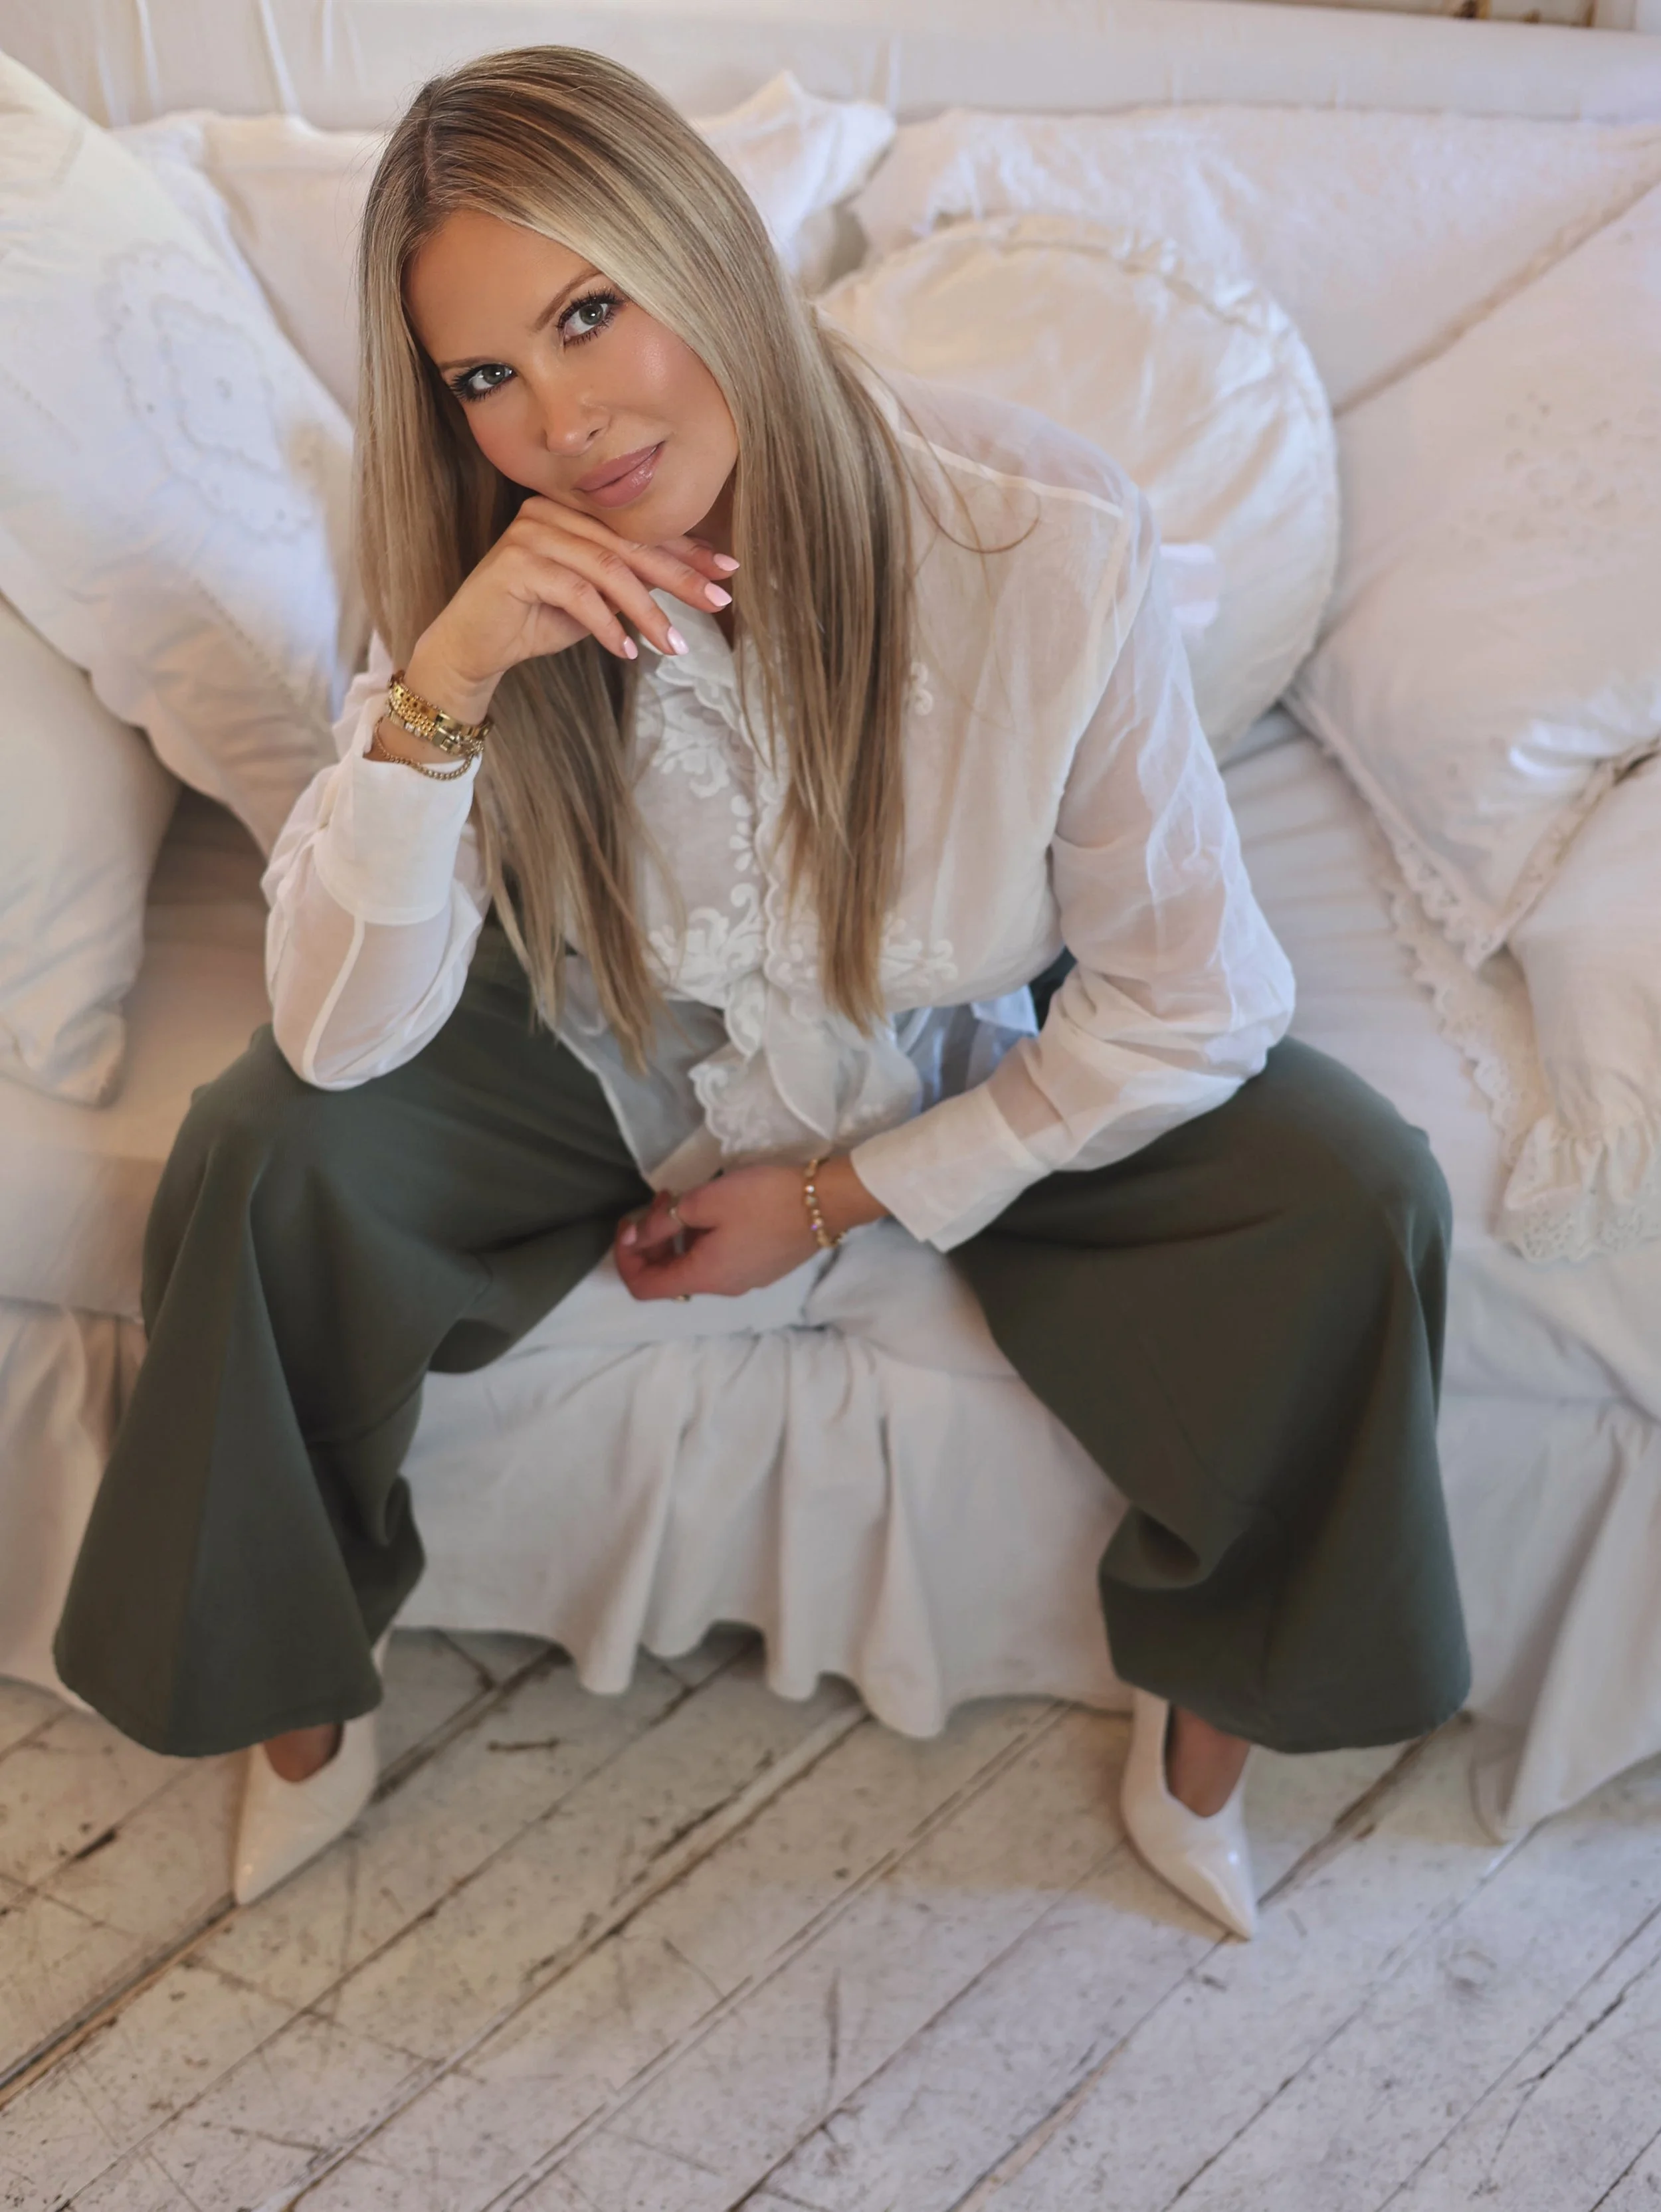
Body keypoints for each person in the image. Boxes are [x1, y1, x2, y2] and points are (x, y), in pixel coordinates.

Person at [53, 46, 1468, 1929]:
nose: (556, 417)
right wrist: (449, 685)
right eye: (485, 376)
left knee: (1353, 1195)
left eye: (585, 315)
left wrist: (829, 1197)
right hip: (590, 1024)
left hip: (947, 1033)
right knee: (261, 1157)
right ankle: (295, 1703)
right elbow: (337, 1038)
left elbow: (1194, 1001)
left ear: (698, 249)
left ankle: (1219, 1707)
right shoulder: (469, 582)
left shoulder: (1037, 535)